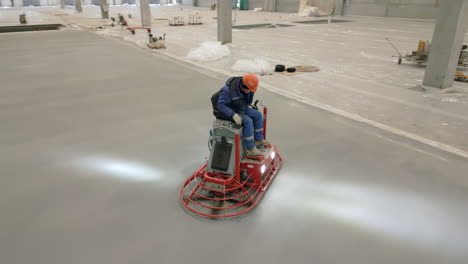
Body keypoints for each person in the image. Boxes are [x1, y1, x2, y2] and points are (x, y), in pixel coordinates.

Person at [211, 74, 270, 156]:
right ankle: (250, 147)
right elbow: (220, 105)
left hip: (240, 108)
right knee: (247, 121)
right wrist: (233, 114)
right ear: (243, 86)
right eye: (249, 89)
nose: (251, 91)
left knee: (257, 115)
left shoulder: (249, 90)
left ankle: (258, 139)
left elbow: (244, 99)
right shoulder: (228, 91)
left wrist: (248, 104)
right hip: (227, 112)